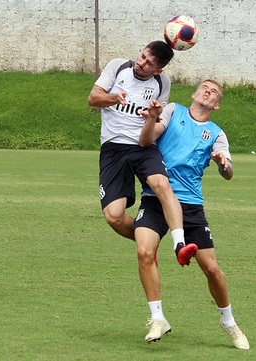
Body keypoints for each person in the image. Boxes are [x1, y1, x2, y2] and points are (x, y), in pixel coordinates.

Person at [133, 79, 249, 349]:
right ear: (195, 94)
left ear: (216, 105)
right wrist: (151, 118)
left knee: (212, 269)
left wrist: (223, 164)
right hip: (155, 198)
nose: (208, 92)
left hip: (191, 205)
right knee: (144, 252)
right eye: (205, 88)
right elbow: (147, 140)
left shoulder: (216, 133)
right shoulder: (173, 111)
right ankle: (157, 317)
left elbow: (229, 173)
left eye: (214, 92)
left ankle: (229, 321)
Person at [87, 41, 196, 265]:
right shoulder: (119, 67)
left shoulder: (162, 82)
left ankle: (180, 244)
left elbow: (155, 121)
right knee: (114, 216)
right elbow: (93, 98)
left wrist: (153, 115)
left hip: (143, 147)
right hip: (113, 148)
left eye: (149, 63)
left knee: (162, 185)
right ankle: (147, 243)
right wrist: (114, 97)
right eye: (143, 56)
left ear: (159, 70)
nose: (141, 63)